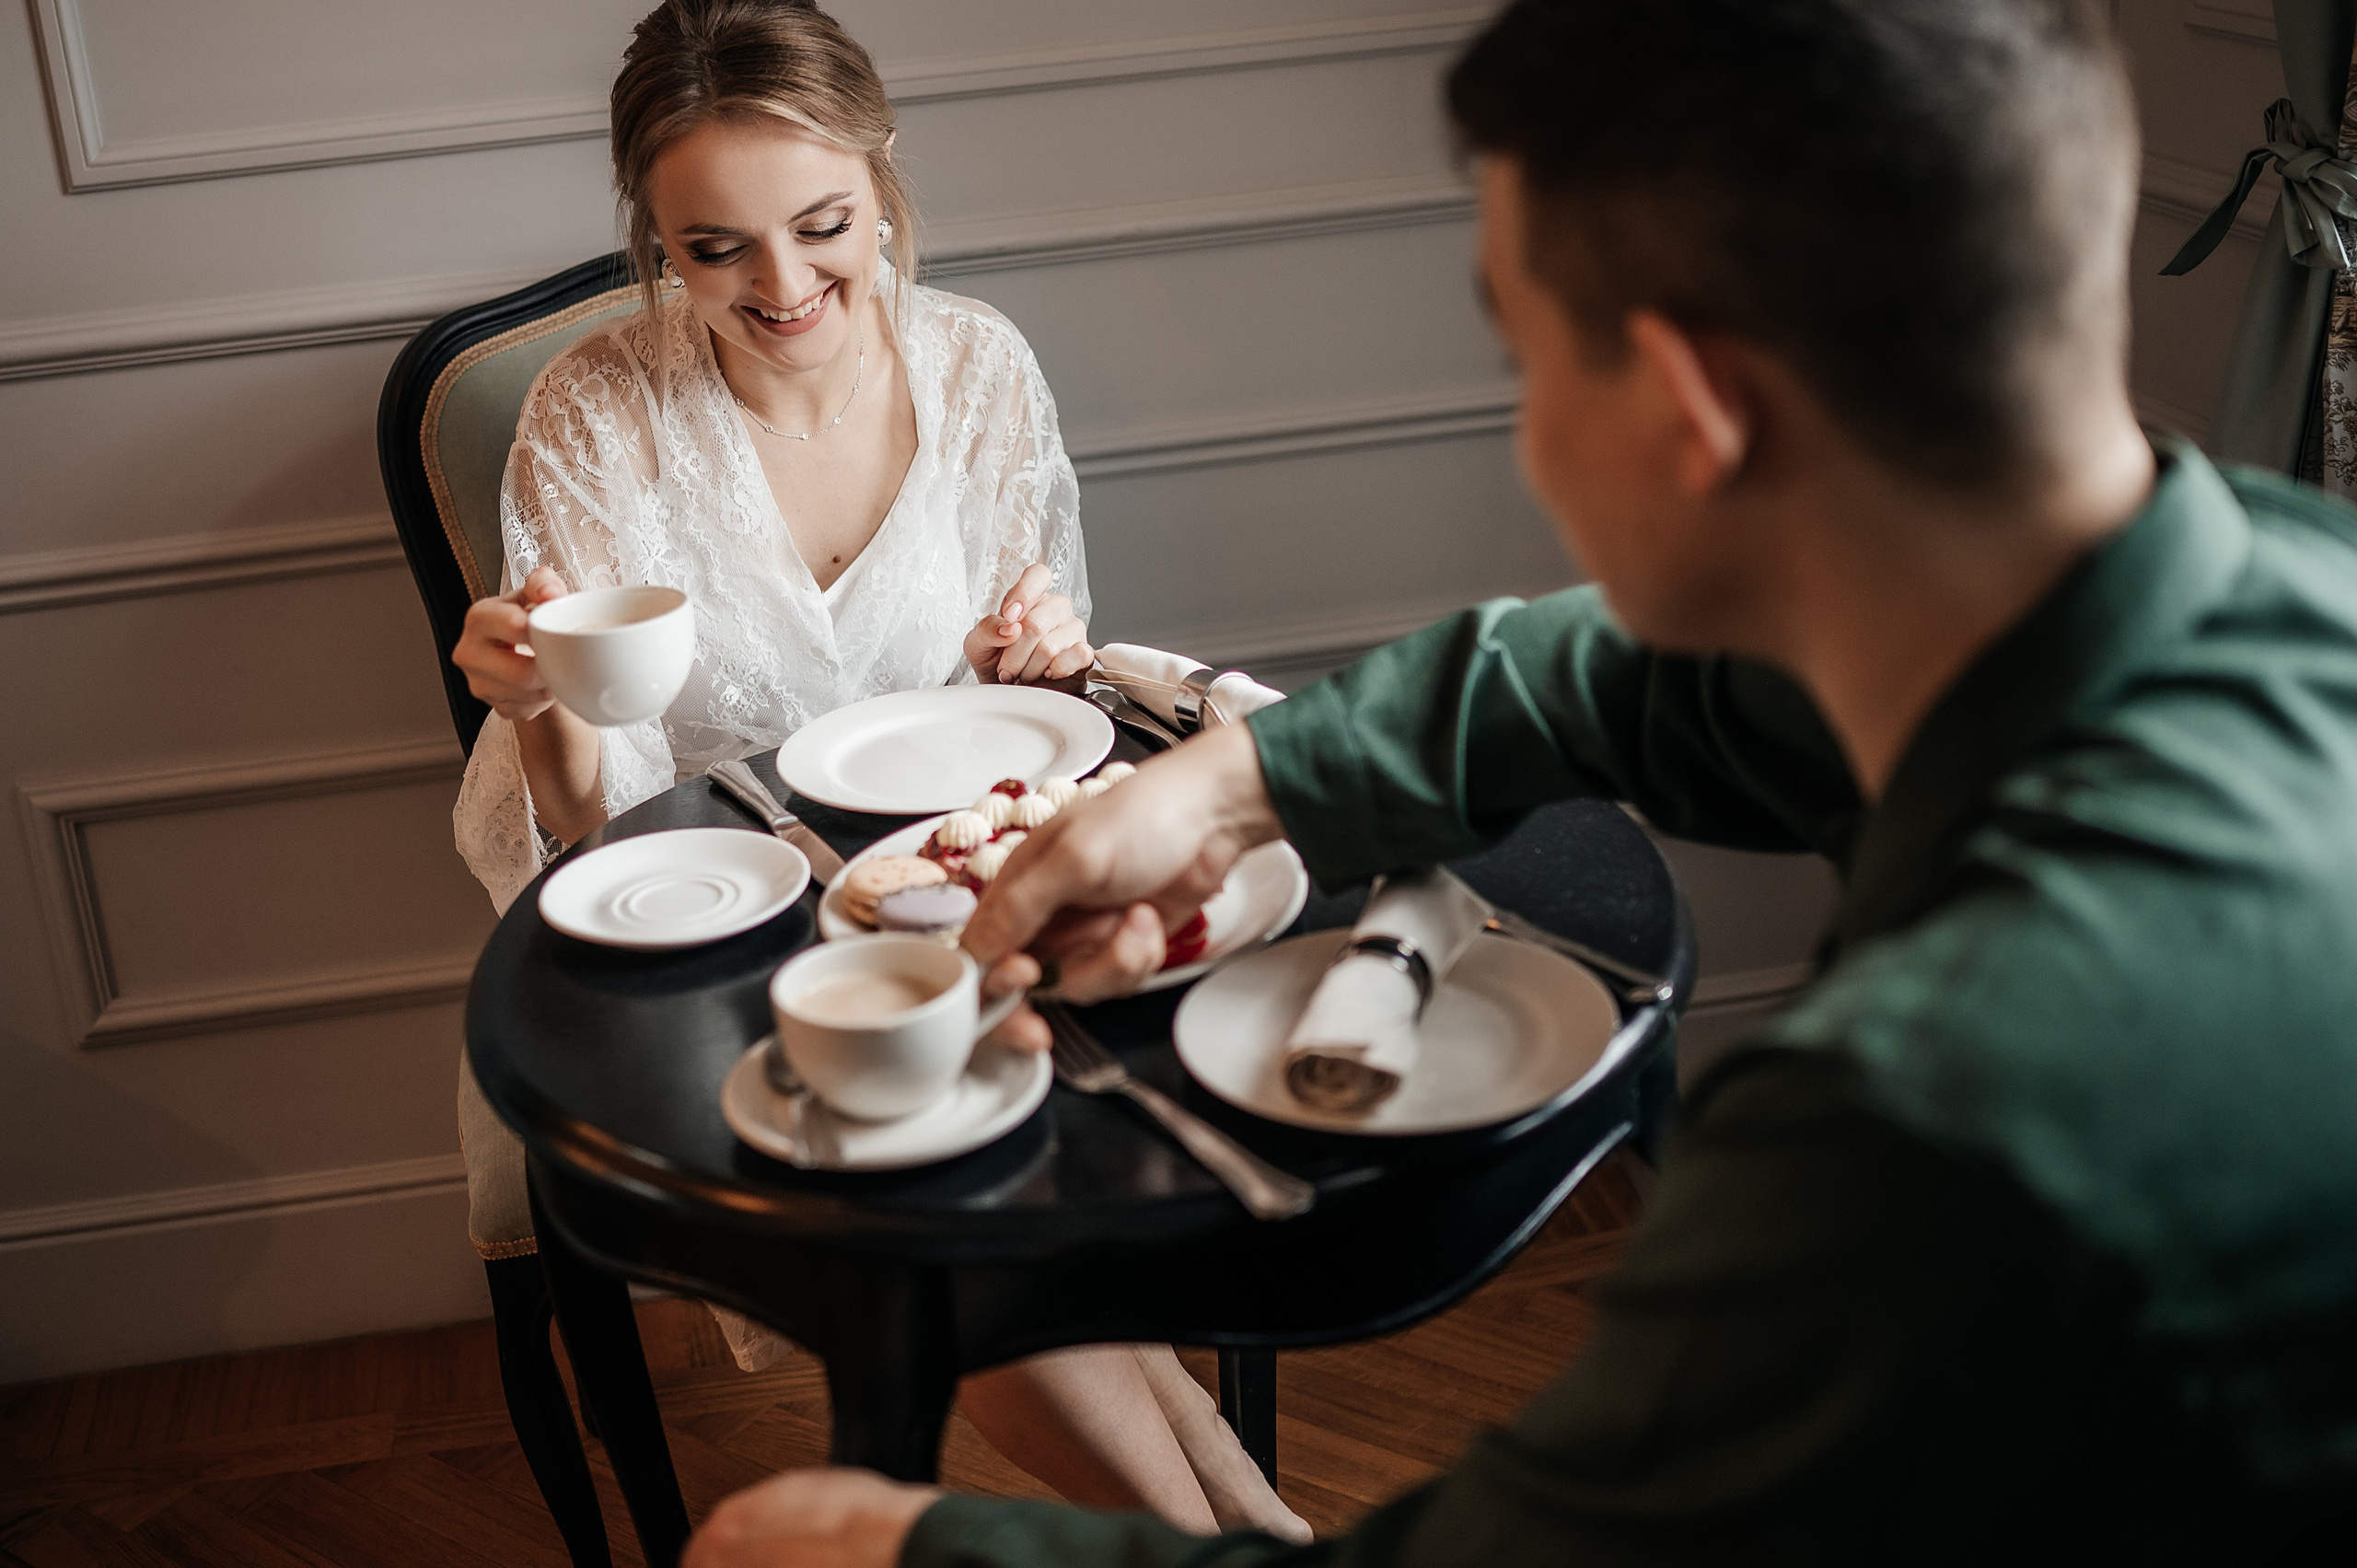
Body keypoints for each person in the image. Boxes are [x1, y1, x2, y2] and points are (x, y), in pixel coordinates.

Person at [677, 0, 2357, 1562]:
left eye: (1528, 361)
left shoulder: (1921, 1127)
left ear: (1694, 411)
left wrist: (912, 1544)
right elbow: (1615, 684)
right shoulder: (2243, 585)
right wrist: (1232, 785)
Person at [446, 0, 1306, 1540]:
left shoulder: (978, 365)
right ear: (654, 234)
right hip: (713, 932)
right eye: (714, 250)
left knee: (1003, 1178)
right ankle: (1242, 1542)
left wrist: (1037, 656)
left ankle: (1247, 1539)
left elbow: (1041, 711)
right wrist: (531, 705)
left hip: (951, 889)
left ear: (882, 176)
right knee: (957, 1226)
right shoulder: (594, 414)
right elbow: (590, 827)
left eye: (824, 227)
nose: (782, 289)